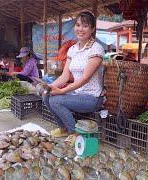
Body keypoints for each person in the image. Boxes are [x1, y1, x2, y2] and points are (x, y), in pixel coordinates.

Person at [43, 11, 104, 143]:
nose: (80, 29)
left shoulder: (96, 49)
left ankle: (75, 133)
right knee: (46, 95)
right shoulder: (73, 49)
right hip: (77, 93)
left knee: (56, 101)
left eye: (85, 26)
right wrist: (51, 86)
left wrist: (62, 91)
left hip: (92, 97)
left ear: (92, 29)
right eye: (78, 25)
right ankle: (63, 128)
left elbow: (85, 78)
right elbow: (65, 76)